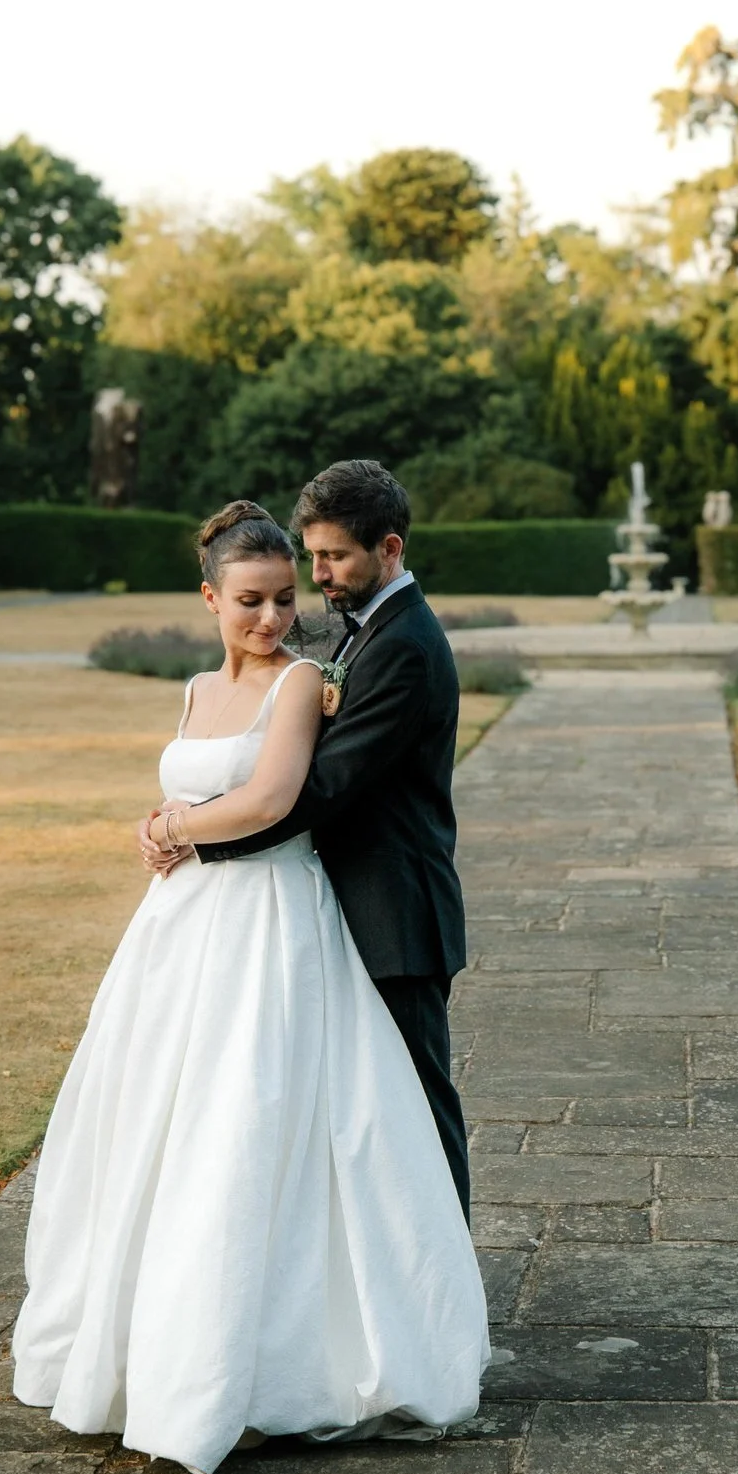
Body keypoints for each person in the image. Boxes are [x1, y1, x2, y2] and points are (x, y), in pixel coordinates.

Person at [10, 497, 486, 1474]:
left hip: (273, 925)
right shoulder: (192, 689)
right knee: (159, 1122)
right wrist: (162, 822)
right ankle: (148, 1343)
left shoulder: (308, 678)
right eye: (249, 602)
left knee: (262, 1123)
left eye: (282, 598)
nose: (270, 619)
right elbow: (206, 790)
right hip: (181, 933)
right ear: (210, 598)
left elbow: (274, 799)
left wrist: (177, 827)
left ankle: (277, 1361)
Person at [167, 459, 473, 1216]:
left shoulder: (404, 645)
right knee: (362, 1115)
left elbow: (323, 787)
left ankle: (443, 1296)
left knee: (416, 1116)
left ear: (390, 549)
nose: (321, 573)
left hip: (394, 914)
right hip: (348, 904)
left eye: (335, 556)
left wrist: (201, 842)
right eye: (314, 557)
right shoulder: (368, 627)